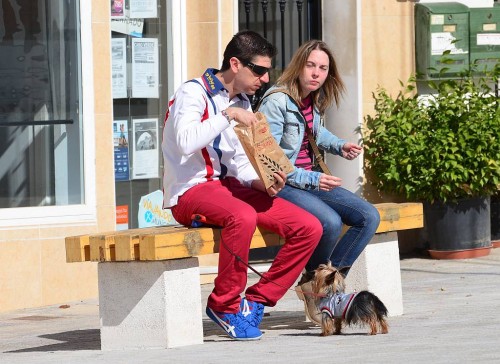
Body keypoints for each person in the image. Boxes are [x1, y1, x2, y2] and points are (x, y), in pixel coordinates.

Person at [161, 30, 322, 341]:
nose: (264, 78)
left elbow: (239, 162)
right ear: (235, 64)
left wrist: (261, 184)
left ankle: (257, 301)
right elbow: (184, 142)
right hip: (190, 192)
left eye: (267, 71)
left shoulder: (243, 102)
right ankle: (224, 304)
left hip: (229, 187)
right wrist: (227, 114)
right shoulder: (193, 93)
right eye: (259, 70)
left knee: (308, 227)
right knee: (242, 216)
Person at [257, 39, 380, 324]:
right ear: (299, 66)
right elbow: (269, 159)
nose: (316, 73)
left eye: (322, 68)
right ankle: (321, 290)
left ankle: (320, 286)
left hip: (309, 181)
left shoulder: (311, 99)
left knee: (368, 216)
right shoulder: (276, 101)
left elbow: (316, 132)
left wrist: (339, 145)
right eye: (311, 65)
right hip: (283, 183)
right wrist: (313, 178)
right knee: (330, 222)